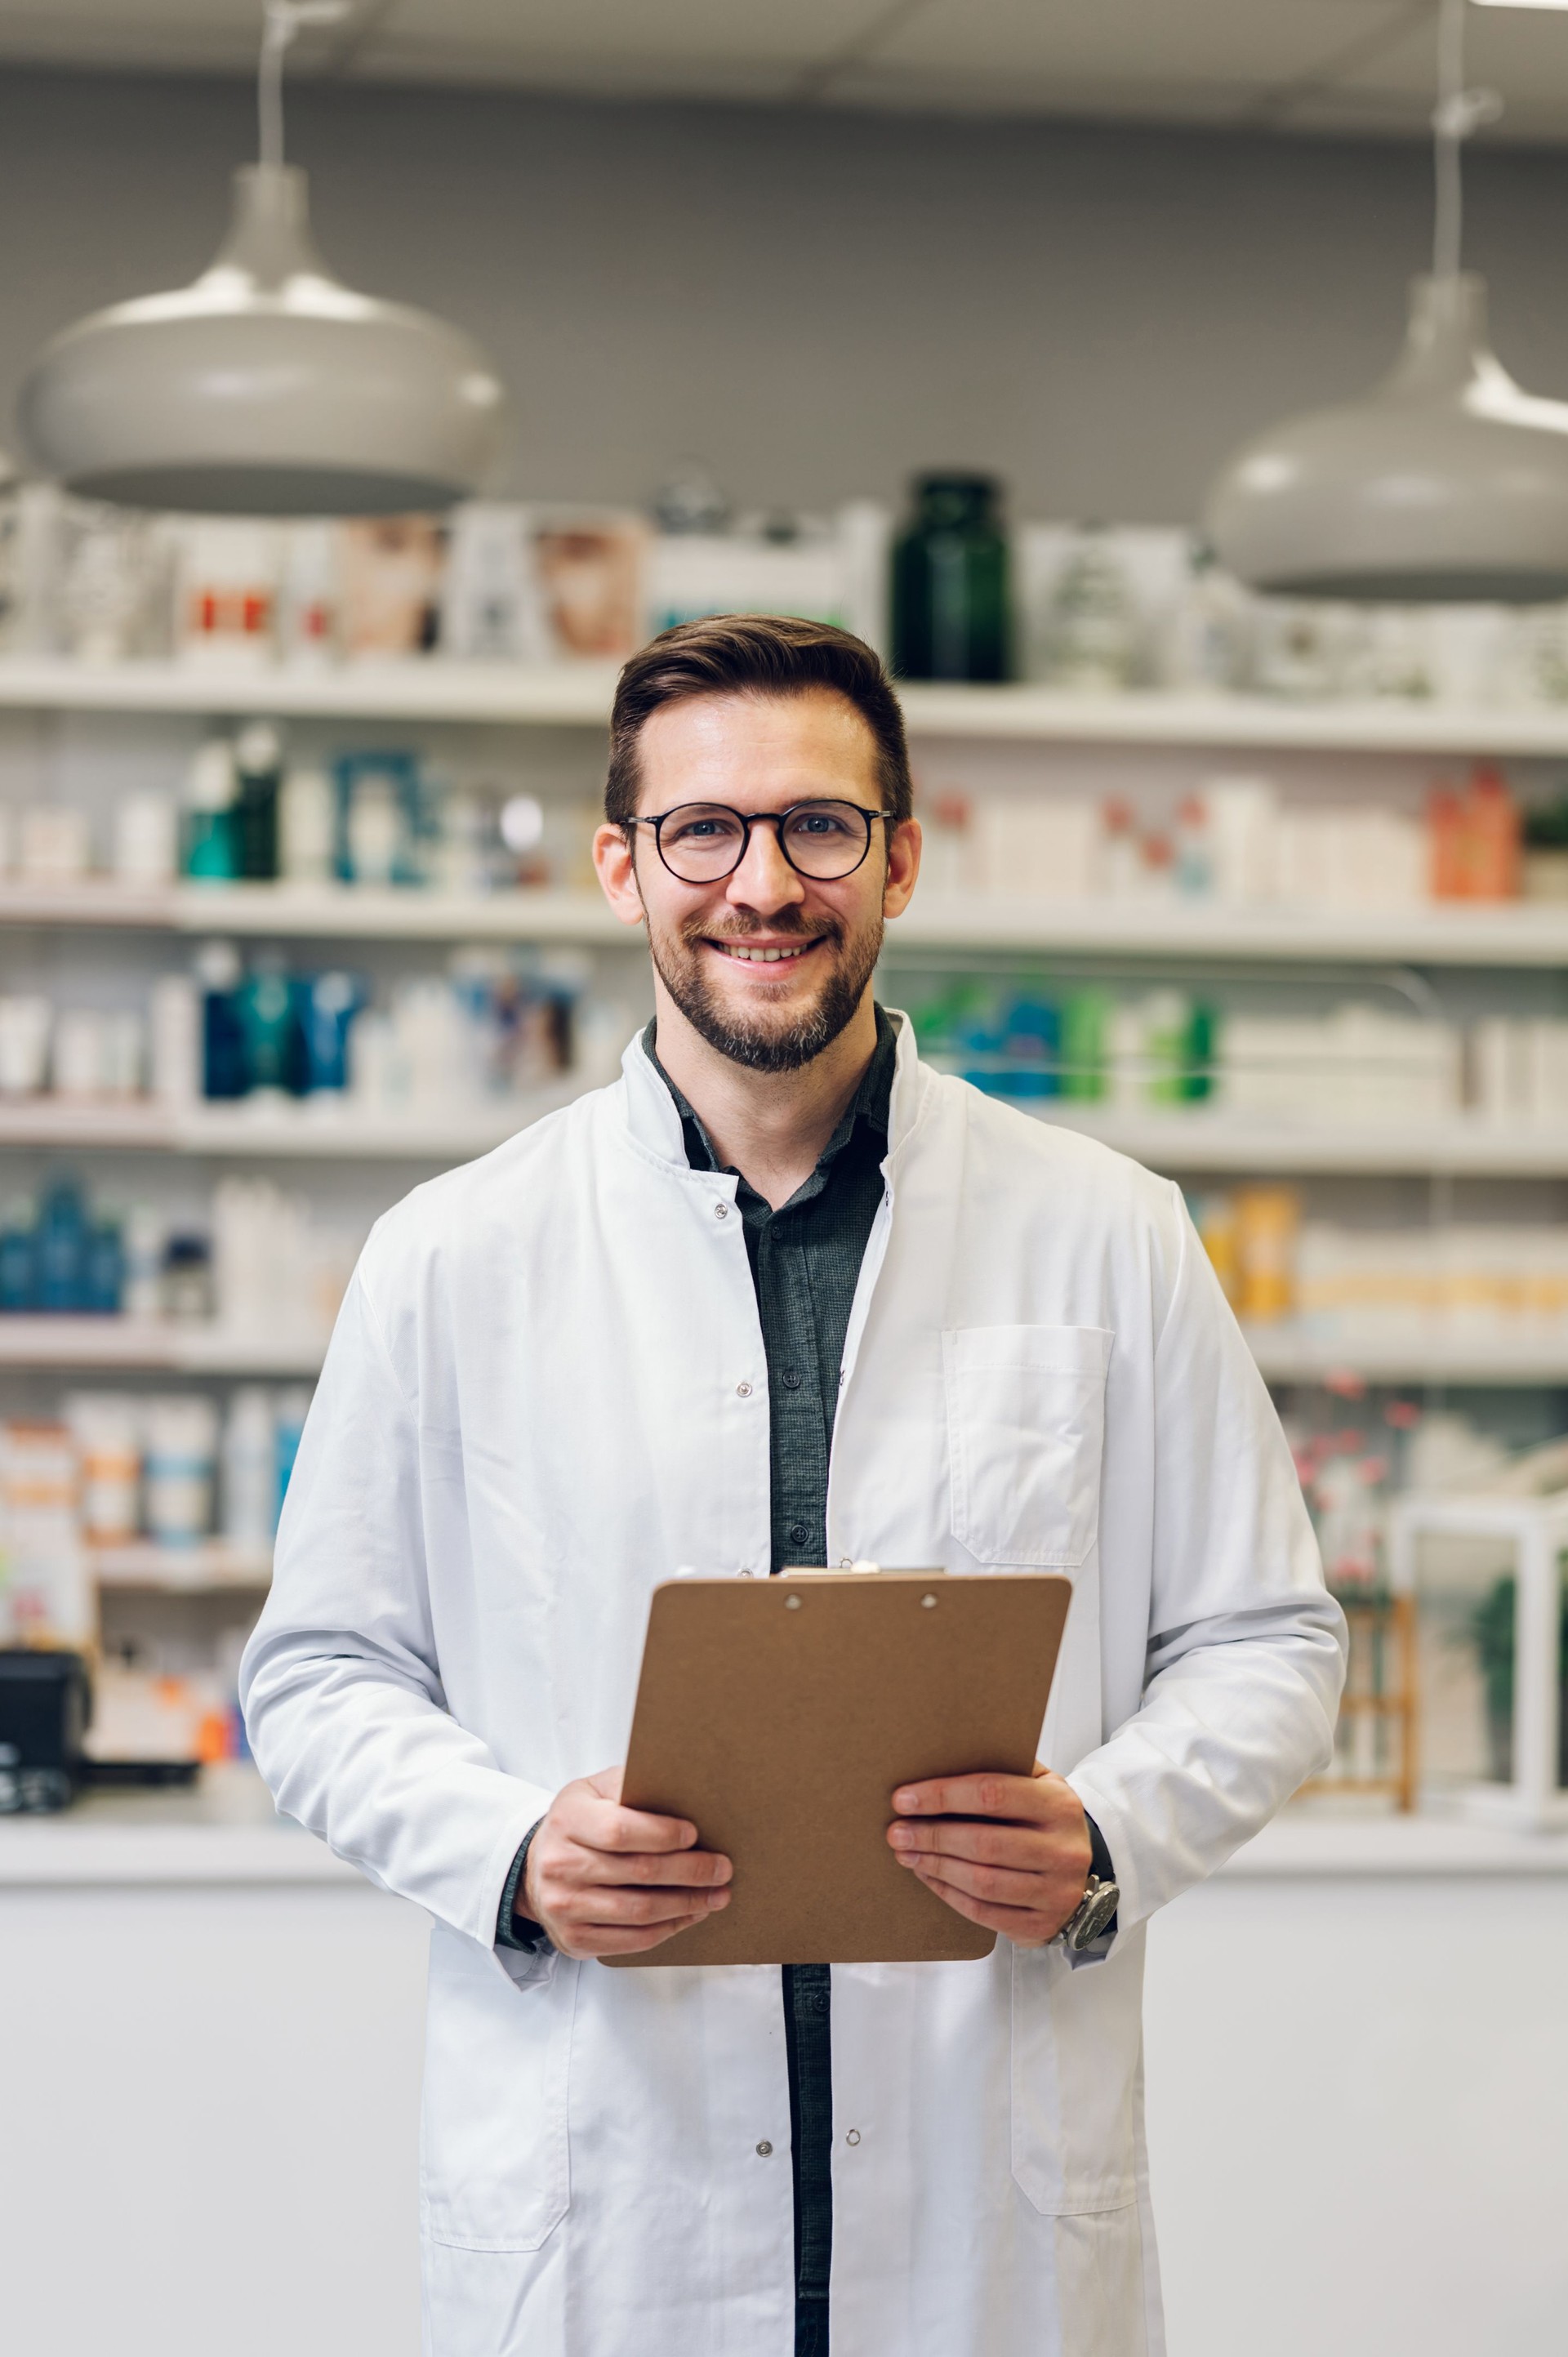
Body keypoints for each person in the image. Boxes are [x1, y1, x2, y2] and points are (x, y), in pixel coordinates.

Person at [240, 614, 1346, 2357]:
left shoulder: (1105, 1231)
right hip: (611, 2207)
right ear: (624, 867)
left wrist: (1109, 1835)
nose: (763, 884)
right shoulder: (452, 1257)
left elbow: (1270, 1639)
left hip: (986, 2209)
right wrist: (515, 1853)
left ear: (900, 855)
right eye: (705, 831)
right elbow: (314, 1677)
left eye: (820, 827)